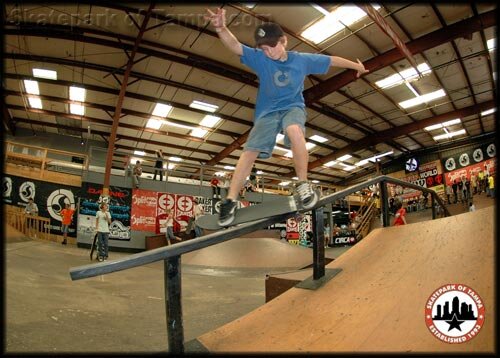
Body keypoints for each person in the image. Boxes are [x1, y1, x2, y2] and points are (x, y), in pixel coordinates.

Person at [205, 8, 368, 226]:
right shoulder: (260, 59)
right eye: (264, 48)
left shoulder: (301, 60)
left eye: (272, 46)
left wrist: (356, 66)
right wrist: (220, 27)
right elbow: (235, 45)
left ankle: (302, 184)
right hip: (267, 112)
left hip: (293, 107)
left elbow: (332, 60)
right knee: (249, 150)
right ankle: (231, 199)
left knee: (294, 130)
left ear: (284, 41)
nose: (269, 52)